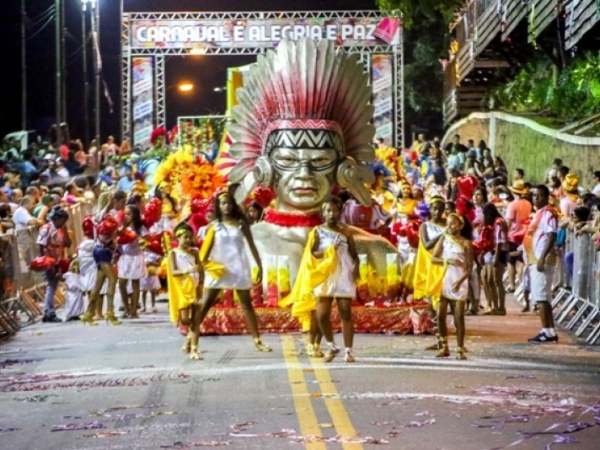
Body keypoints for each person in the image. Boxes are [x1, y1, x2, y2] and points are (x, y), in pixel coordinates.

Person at [227, 38, 396, 294]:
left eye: (320, 162)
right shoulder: (240, 248)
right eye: (288, 161)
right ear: (264, 168)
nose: (304, 175)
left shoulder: (377, 251)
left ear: (342, 169)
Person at [286, 197, 359, 362]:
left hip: (343, 274)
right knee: (322, 314)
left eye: (334, 210)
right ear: (323, 213)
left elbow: (354, 254)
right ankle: (331, 345)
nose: (331, 214)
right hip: (325, 274)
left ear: (340, 212)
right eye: (328, 211)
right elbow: (311, 254)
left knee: (346, 312)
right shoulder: (317, 231)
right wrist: (327, 251)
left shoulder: (346, 232)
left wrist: (357, 269)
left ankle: (349, 351)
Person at [198, 191, 271, 352]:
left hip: (239, 267)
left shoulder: (241, 223)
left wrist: (259, 266)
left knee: (246, 304)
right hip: (219, 269)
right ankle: (191, 337)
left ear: (233, 205)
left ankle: (257, 340)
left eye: (229, 203)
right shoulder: (214, 226)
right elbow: (205, 251)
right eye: (223, 203)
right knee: (206, 304)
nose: (226, 206)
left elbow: (252, 246)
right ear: (218, 206)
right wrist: (204, 268)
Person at [431, 213, 474, 360]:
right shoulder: (444, 238)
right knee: (440, 315)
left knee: (459, 317)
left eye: (453, 224)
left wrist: (460, 281)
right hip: (445, 279)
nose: (449, 227)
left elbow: (469, 268)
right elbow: (434, 258)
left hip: (459, 282)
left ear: (461, 226)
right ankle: (444, 347)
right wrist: (448, 261)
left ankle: (460, 349)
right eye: (448, 224)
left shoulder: (467, 243)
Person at [525, 185, 559, 343]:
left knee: (542, 297)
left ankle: (546, 331)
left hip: (541, 259)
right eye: (534, 196)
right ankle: (549, 330)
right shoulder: (539, 213)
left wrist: (542, 257)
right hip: (535, 257)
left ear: (546, 197)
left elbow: (552, 235)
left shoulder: (549, 213)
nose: (535, 199)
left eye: (539, 196)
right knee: (542, 296)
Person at [166, 222, 205, 360]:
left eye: (190, 237)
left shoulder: (194, 252)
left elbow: (201, 269)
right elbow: (173, 271)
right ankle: (189, 334)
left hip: (194, 289)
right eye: (185, 237)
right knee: (185, 319)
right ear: (178, 238)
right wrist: (187, 270)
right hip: (182, 290)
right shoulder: (173, 253)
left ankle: (194, 349)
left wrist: (201, 285)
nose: (188, 240)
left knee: (196, 319)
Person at [413, 196, 447, 350]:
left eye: (440, 208)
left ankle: (444, 339)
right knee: (433, 306)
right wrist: (443, 235)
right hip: (429, 267)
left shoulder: (448, 225)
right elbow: (426, 245)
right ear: (430, 210)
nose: (437, 211)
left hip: (443, 266)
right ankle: (439, 339)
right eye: (434, 208)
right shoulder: (425, 226)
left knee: (441, 304)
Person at [36, 206, 72, 323]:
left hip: (58, 260)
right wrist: (45, 262)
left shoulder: (61, 229)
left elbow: (68, 243)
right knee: (51, 286)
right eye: (62, 220)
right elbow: (41, 245)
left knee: (53, 285)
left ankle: (48, 311)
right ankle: (49, 312)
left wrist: (65, 230)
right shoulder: (46, 228)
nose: (63, 223)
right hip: (49, 260)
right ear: (56, 218)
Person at [117, 205, 147, 319]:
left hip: (136, 257)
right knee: (121, 283)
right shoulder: (123, 227)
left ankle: (134, 310)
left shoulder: (140, 228)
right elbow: (117, 236)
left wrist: (140, 240)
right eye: (125, 214)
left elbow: (147, 239)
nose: (126, 216)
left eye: (129, 214)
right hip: (125, 257)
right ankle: (126, 308)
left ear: (135, 215)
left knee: (135, 284)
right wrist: (123, 226)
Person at [481, 203, 509, 315]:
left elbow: (499, 242)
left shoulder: (498, 222)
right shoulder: (493, 222)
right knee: (489, 280)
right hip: (492, 252)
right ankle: (493, 306)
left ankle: (501, 307)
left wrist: (496, 259)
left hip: (499, 253)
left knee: (497, 281)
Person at [506, 180, 532, 293]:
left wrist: (503, 233)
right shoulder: (528, 203)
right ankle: (523, 283)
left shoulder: (512, 205)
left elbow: (508, 222)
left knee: (510, 261)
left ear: (513, 192)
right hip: (526, 234)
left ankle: (512, 285)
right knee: (523, 260)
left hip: (513, 236)